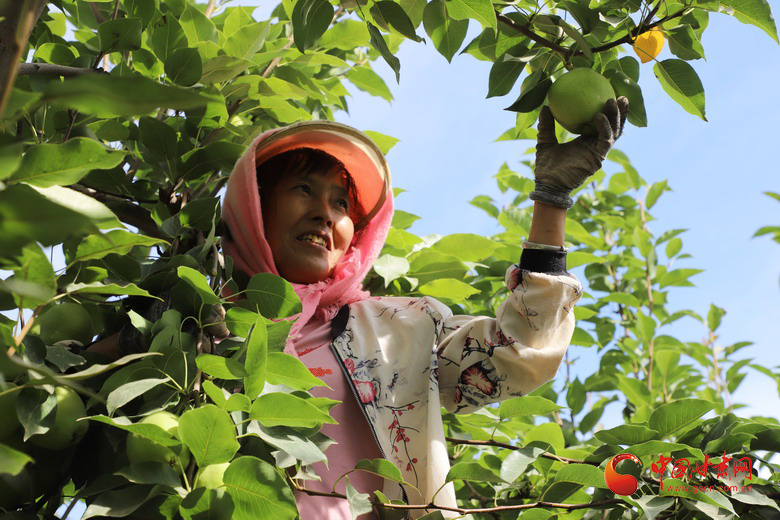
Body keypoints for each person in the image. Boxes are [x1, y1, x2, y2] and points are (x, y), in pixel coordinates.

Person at [219, 96, 629, 519]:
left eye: (341, 203)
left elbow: (516, 350)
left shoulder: (399, 330)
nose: (325, 214)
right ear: (254, 205)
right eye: (304, 189)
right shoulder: (200, 331)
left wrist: (551, 198)